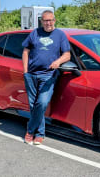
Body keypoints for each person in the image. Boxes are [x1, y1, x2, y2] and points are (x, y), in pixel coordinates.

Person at [22, 10, 71, 145]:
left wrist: (58, 61)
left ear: (54, 20)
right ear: (41, 21)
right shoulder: (35, 33)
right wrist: (25, 71)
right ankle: (39, 133)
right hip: (31, 74)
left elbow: (67, 55)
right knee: (33, 105)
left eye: (50, 20)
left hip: (48, 75)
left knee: (42, 103)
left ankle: (30, 130)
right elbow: (25, 51)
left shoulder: (60, 35)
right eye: (45, 20)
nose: (48, 23)